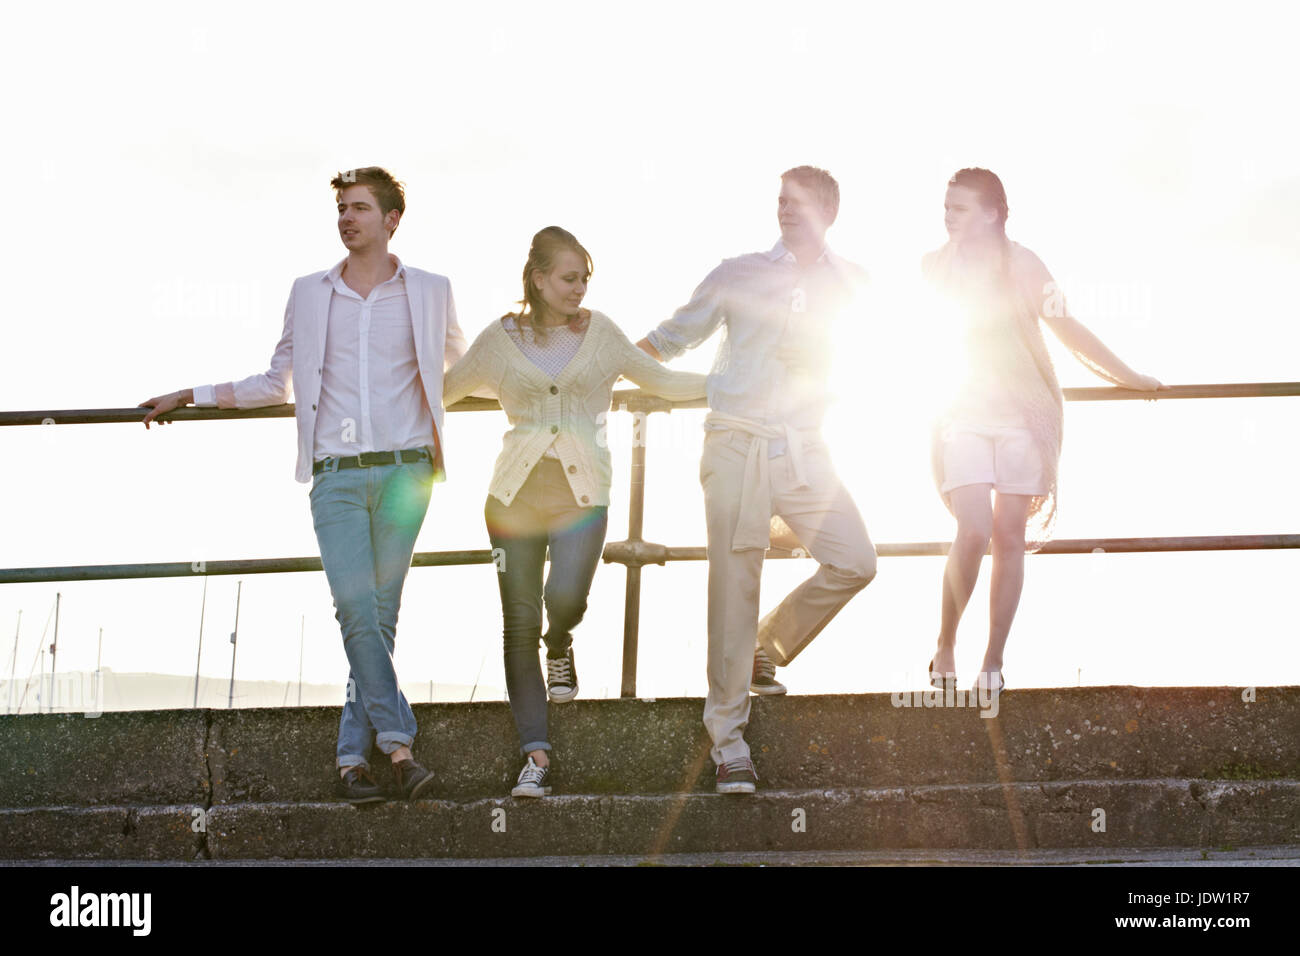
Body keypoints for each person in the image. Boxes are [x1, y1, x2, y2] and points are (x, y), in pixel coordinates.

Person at [140, 167, 467, 804]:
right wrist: (191, 394)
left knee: (378, 617)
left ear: (392, 219)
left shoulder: (431, 290)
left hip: (407, 474)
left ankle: (353, 760)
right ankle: (398, 746)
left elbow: (465, 367)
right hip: (337, 476)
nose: (347, 218)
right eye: (342, 208)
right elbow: (275, 382)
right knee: (357, 609)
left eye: (361, 208)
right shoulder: (310, 293)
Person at [636, 167, 877, 794]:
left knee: (855, 559)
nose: (785, 210)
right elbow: (670, 338)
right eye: (780, 200)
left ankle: (768, 644)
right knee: (734, 586)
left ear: (829, 210)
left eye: (798, 202)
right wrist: (597, 368)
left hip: (805, 448)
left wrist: (825, 362)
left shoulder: (854, 284)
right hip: (737, 442)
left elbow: (868, 369)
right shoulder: (737, 273)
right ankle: (728, 741)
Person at [443, 226, 706, 798]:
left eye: (585, 278)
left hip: (582, 498)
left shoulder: (602, 334)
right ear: (537, 279)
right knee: (517, 625)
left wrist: (732, 387)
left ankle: (560, 641)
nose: (579, 289)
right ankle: (535, 755)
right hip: (512, 499)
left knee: (564, 598)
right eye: (568, 278)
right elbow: (445, 390)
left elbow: (658, 379)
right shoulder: (499, 339)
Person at [922, 167, 1162, 696]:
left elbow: (1068, 328)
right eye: (945, 207)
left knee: (1010, 536)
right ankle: (944, 644)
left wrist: (1130, 378)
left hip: (1023, 420)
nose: (948, 217)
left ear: (991, 213)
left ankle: (993, 661)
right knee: (972, 530)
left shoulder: (1023, 264)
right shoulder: (933, 268)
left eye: (959, 208)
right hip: (961, 416)